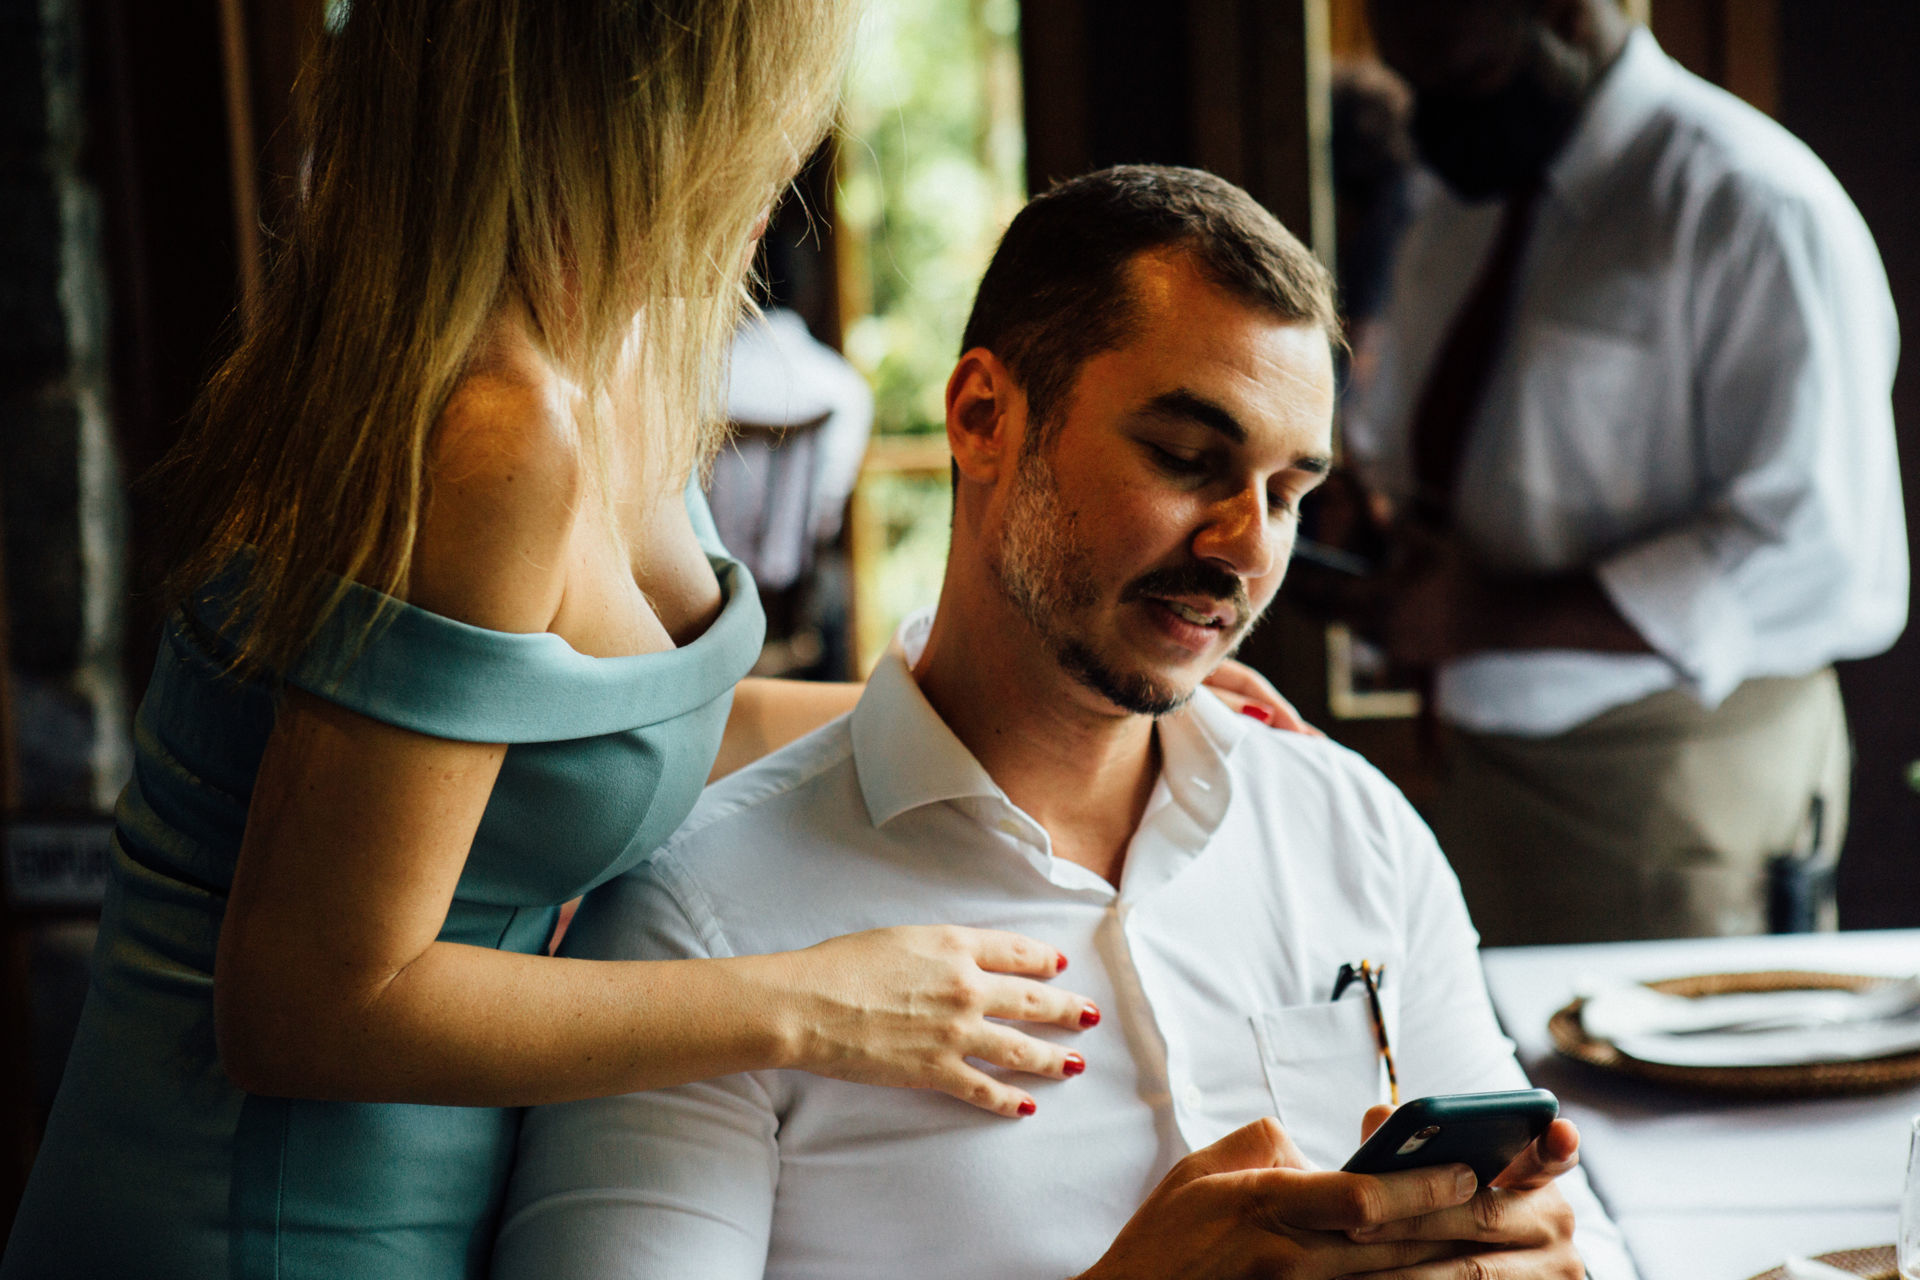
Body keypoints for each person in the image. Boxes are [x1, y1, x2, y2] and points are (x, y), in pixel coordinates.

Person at [1, 5, 1122, 1277]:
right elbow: (308, 1002)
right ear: (630, 109)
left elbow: (659, 727)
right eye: (748, 115)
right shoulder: (492, 427)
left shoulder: (620, 350)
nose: (777, 163)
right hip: (263, 1224)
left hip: (456, 1201)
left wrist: (1070, 704)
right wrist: (817, 1004)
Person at [494, 166, 1635, 1280]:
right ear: (984, 416)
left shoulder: (1350, 826)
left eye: (1288, 494)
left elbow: (1581, 1234)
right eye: (1189, 460)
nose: (1247, 546)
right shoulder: (699, 925)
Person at [1342, 0, 1907, 943]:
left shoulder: (1748, 203)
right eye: (1417, 84)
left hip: (1681, 794)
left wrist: (1486, 617)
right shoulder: (1455, 206)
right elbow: (1409, 455)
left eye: (1467, 75)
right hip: (1473, 782)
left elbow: (1816, 550)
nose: (1436, 120)